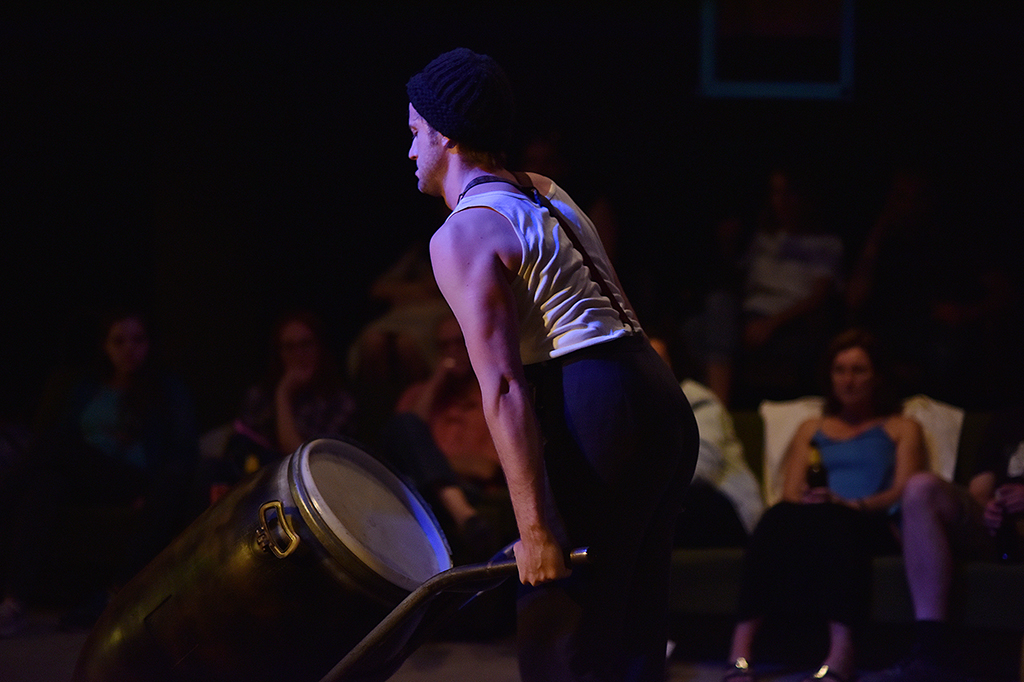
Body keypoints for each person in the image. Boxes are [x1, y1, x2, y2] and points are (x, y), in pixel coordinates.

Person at [405, 48, 698, 681]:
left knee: (562, 636)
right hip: (657, 398)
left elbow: (504, 386)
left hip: (597, 407)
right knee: (632, 632)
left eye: (415, 132)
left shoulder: (462, 233)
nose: (410, 152)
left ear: (446, 135)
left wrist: (534, 529)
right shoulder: (544, 190)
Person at [723, 329, 926, 682]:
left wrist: (852, 504)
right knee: (775, 517)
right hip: (819, 516)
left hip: (868, 519)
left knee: (838, 522)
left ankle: (841, 654)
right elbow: (790, 492)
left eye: (859, 370)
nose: (848, 380)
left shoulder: (901, 426)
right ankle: (740, 652)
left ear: (877, 377)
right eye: (840, 370)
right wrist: (815, 501)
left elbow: (902, 490)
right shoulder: (811, 427)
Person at [0, 309, 199, 636]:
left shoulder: (166, 388)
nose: (129, 349)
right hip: (87, 478)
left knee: (52, 445)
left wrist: (154, 493)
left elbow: (182, 448)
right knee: (47, 482)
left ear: (149, 344)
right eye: (119, 341)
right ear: (105, 347)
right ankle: (14, 603)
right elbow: (68, 436)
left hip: (135, 481)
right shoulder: (87, 387)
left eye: (137, 340)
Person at [860, 402, 1024, 682]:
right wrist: (991, 509)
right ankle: (931, 652)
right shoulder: (1010, 417)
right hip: (1002, 533)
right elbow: (980, 491)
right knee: (920, 488)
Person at [380, 312, 512, 563]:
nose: (453, 352)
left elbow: (484, 469)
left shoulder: (494, 395)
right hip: (415, 490)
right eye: (444, 346)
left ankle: (457, 506)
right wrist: (437, 380)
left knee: (414, 473)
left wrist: (427, 462)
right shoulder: (419, 395)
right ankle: (464, 516)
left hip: (471, 491)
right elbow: (401, 439)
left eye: (460, 342)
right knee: (405, 425)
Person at [215, 310, 357, 494]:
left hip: (309, 490)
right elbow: (241, 448)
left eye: (306, 344)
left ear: (320, 348)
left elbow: (303, 464)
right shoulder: (259, 395)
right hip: (256, 483)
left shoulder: (339, 403)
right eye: (290, 347)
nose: (299, 354)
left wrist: (283, 394)